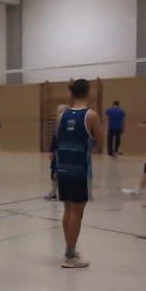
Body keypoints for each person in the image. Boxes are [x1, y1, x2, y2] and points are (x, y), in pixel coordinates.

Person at [50, 80, 100, 267]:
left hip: (63, 166)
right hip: (80, 168)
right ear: (88, 92)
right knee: (77, 212)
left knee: (67, 210)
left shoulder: (61, 116)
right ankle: (70, 257)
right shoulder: (91, 116)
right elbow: (100, 142)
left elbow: (57, 136)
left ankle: (69, 250)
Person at [45, 103, 68, 200]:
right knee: (54, 172)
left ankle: (63, 193)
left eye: (62, 111)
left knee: (63, 173)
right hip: (57, 151)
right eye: (58, 111)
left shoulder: (69, 124)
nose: (59, 114)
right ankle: (53, 192)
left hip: (65, 152)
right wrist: (51, 151)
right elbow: (54, 139)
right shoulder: (56, 123)